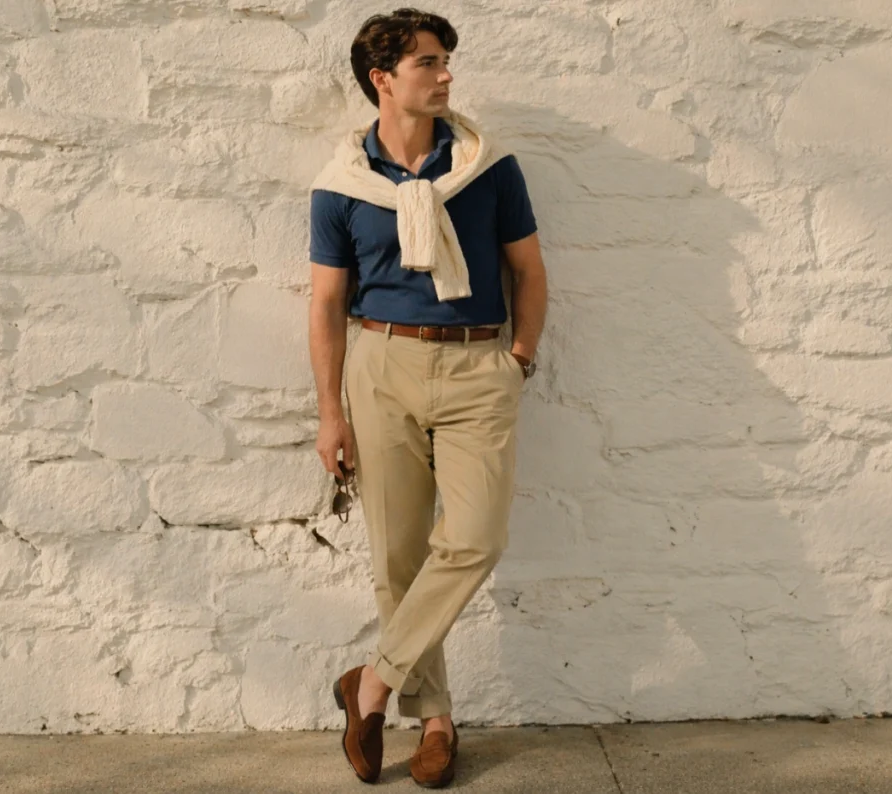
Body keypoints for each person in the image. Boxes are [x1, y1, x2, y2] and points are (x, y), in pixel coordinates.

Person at [307, 7, 548, 788]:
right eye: (429, 63)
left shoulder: (488, 167)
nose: (447, 74)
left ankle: (370, 685)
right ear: (383, 80)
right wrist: (331, 413)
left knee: (475, 538)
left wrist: (519, 357)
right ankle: (437, 719)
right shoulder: (340, 186)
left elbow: (529, 273)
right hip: (381, 365)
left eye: (446, 60)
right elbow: (324, 305)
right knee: (399, 558)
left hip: (479, 366)